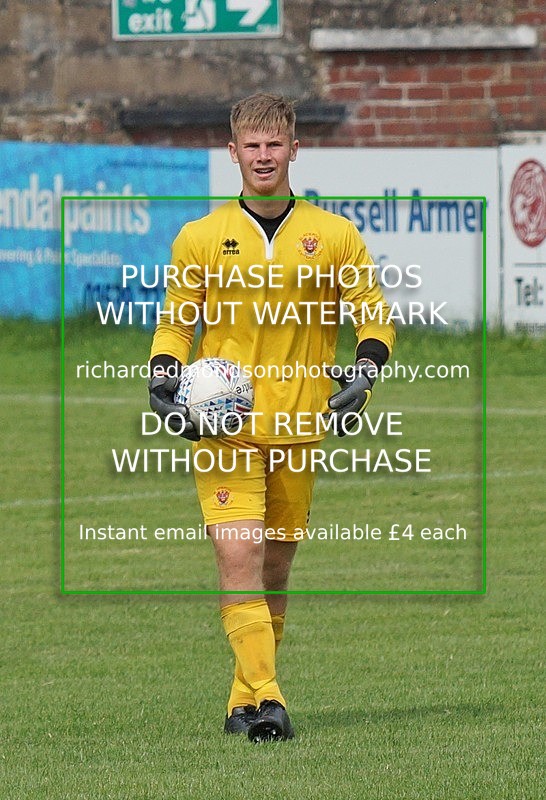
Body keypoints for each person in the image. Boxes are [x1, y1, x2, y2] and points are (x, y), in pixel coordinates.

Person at [148, 93, 395, 742]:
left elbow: (375, 316)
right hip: (222, 427)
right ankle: (272, 700)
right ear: (233, 153)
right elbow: (177, 322)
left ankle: (241, 698)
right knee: (240, 556)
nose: (263, 156)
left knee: (275, 570)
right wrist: (162, 376)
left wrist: (365, 373)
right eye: (251, 145)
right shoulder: (199, 238)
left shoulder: (334, 235)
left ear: (294, 149)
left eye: (273, 144)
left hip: (300, 425)